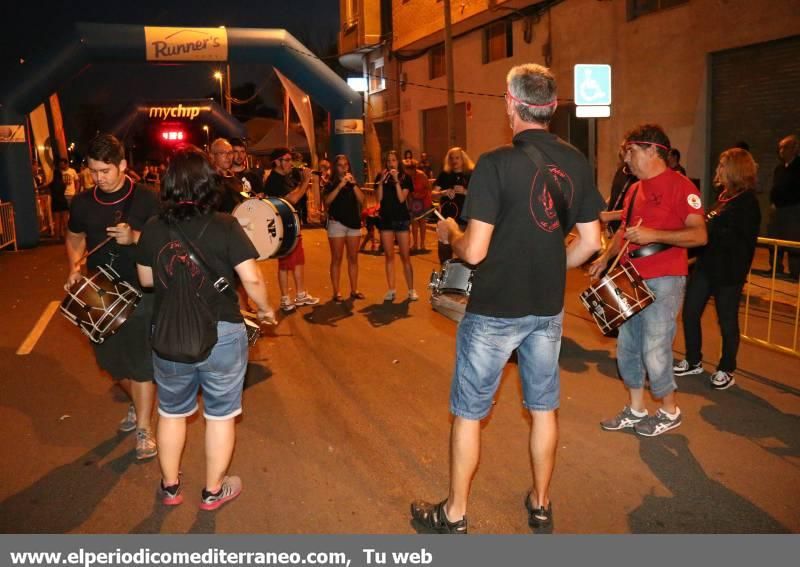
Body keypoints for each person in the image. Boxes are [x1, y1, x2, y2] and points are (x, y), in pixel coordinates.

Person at [411, 63, 604, 534]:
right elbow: (591, 242)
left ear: (512, 104)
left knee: (469, 413)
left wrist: (451, 232)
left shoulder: (495, 163)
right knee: (542, 406)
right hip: (546, 309)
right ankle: (540, 503)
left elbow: (474, 251)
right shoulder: (578, 161)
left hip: (495, 310)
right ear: (552, 107)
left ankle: (454, 513)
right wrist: (554, 262)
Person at [136, 146, 275, 510]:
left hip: (170, 335)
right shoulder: (225, 225)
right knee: (221, 415)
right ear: (207, 183)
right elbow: (252, 279)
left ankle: (170, 487)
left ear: (169, 186)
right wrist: (265, 310)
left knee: (170, 412)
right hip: (223, 334)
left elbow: (147, 280)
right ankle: (213, 491)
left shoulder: (153, 228)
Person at [589, 124, 707, 437]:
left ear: (652, 150)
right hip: (630, 278)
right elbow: (625, 232)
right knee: (628, 347)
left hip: (665, 276)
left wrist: (655, 235)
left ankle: (670, 411)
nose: (625, 159)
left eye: (630, 151)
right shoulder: (633, 189)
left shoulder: (682, 187)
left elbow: (699, 234)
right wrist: (604, 258)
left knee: (656, 348)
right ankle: (636, 408)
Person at [64, 134, 159, 460]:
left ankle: (145, 429)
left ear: (122, 165)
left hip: (141, 290)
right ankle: (137, 403)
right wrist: (75, 267)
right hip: (99, 291)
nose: (99, 177)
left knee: (141, 364)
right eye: (93, 171)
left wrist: (135, 237)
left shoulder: (146, 199)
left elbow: (166, 241)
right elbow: (75, 235)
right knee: (111, 363)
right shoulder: (83, 203)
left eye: (105, 170)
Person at [674, 148, 761, 390]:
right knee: (690, 312)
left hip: (729, 273)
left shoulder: (747, 203)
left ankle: (726, 368)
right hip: (706, 267)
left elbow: (741, 242)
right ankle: (693, 360)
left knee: (727, 321)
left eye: (722, 165)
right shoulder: (723, 197)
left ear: (735, 169)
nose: (717, 170)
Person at [264, 147, 320, 312]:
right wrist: (305, 182)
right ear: (277, 162)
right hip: (283, 227)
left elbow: (294, 193)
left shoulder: (285, 177)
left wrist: (302, 181)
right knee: (285, 263)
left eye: (291, 160)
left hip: (291, 224)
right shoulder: (274, 180)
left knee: (298, 260)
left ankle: (300, 294)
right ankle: (285, 299)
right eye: (287, 160)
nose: (290, 164)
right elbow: (293, 198)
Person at [323, 154, 365, 302]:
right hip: (337, 224)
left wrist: (353, 185)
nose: (343, 168)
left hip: (353, 224)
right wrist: (340, 185)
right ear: (335, 167)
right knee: (337, 258)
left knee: (353, 258)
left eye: (346, 165)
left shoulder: (353, 182)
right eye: (340, 165)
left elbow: (362, 200)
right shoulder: (330, 183)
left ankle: (354, 289)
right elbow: (327, 201)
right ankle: (336, 292)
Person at [376, 150, 417, 301]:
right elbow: (379, 198)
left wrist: (396, 180)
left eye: (393, 160)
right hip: (386, 219)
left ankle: (411, 289)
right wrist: (380, 182)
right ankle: (391, 289)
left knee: (405, 256)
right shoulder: (382, 177)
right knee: (389, 256)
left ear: (398, 162)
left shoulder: (405, 178)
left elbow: (401, 199)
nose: (390, 163)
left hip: (401, 219)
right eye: (388, 161)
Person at [764, 135, 800, 281]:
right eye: (780, 148)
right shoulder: (779, 169)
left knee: (792, 240)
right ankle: (775, 268)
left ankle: (795, 272)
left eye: (784, 147)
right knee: (774, 238)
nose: (781, 151)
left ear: (795, 149)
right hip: (777, 209)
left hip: (793, 209)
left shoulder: (799, 166)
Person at [432, 147, 474, 263]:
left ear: (463, 159)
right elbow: (433, 194)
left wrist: (465, 191)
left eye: (457, 158)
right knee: (444, 257)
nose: (454, 161)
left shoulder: (470, 174)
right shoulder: (444, 175)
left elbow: (480, 195)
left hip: (464, 222)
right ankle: (445, 278)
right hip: (446, 221)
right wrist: (443, 192)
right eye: (451, 158)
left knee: (465, 257)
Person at [599, 146, 638, 239]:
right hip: (610, 228)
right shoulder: (621, 170)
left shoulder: (638, 176)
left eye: (626, 149)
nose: (621, 151)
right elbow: (615, 194)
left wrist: (608, 216)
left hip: (623, 229)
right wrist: (603, 207)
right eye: (622, 148)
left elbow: (636, 210)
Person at [209, 138, 245, 213]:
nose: (228, 156)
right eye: (222, 153)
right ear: (212, 156)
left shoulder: (234, 178)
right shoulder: (209, 181)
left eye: (230, 153)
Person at [405, 159, 432, 253]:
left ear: (413, 169)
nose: (407, 171)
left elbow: (429, 188)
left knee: (422, 222)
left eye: (408, 169)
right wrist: (410, 201)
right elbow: (407, 190)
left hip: (423, 201)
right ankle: (415, 244)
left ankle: (422, 244)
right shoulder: (407, 177)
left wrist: (421, 195)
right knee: (414, 223)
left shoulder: (422, 175)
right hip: (413, 202)